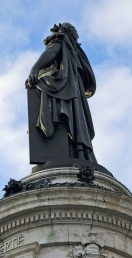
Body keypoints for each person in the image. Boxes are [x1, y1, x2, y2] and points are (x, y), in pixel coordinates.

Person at [26, 22, 97, 162]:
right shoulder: (66, 43)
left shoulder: (67, 44)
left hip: (70, 89)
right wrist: (36, 69)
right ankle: (79, 151)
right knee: (74, 120)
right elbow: (52, 52)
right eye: (74, 31)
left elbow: (52, 52)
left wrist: (36, 70)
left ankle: (76, 151)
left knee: (71, 119)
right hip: (72, 90)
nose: (76, 34)